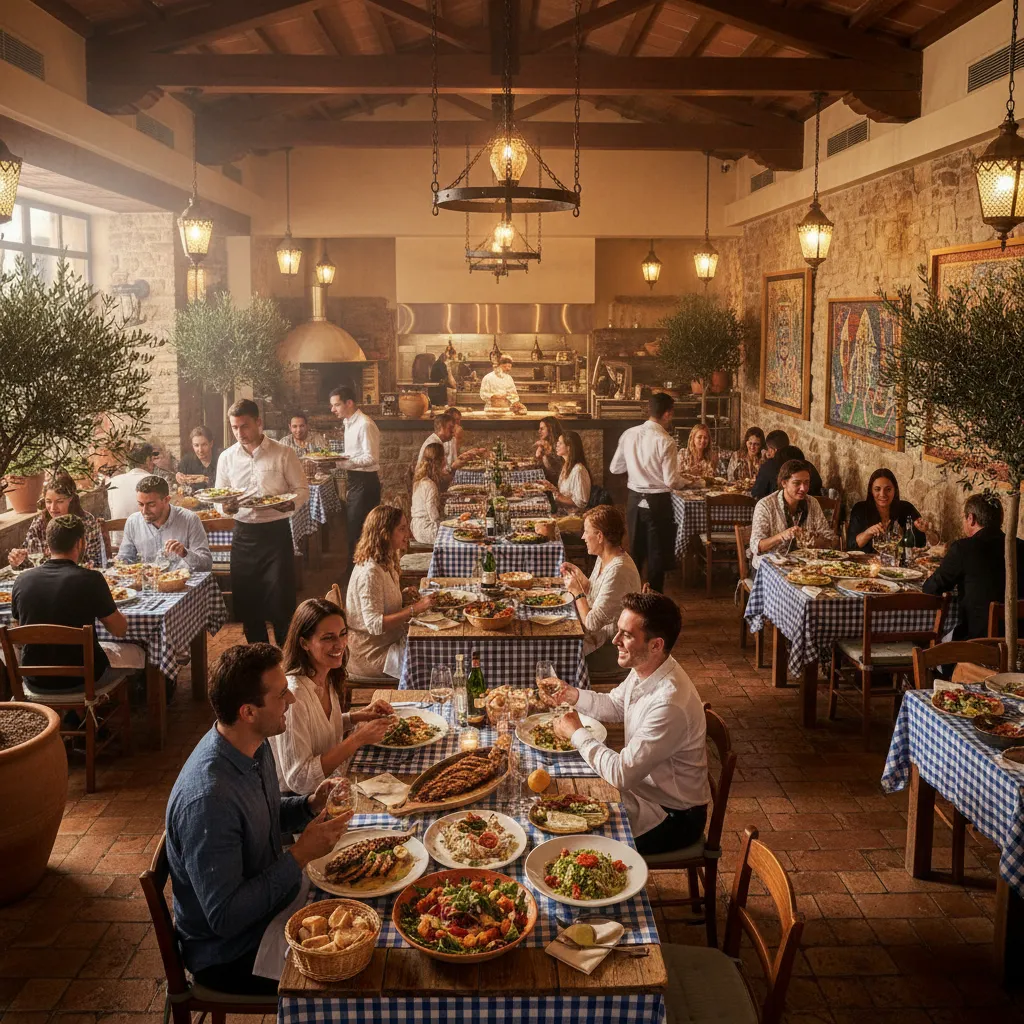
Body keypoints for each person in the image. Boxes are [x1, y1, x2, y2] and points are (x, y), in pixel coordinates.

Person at [166, 643, 354, 995]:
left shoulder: (252, 743)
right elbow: (225, 917)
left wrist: (310, 804)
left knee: (363, 899)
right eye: (282, 695)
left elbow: (264, 816)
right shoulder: (209, 801)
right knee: (353, 973)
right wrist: (299, 855)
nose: (293, 701)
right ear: (248, 712)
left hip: (274, 901)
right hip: (232, 952)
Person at [542, 591, 710, 853]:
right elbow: (615, 705)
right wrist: (570, 694)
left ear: (656, 645)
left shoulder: (669, 704)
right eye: (618, 631)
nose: (615, 640)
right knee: (560, 805)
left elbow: (621, 774)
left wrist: (577, 733)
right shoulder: (648, 667)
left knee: (575, 840)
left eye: (627, 635)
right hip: (644, 794)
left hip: (673, 817)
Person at [269, 599, 396, 795]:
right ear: (304, 643)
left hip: (333, 781)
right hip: (301, 804)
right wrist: (357, 738)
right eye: (328, 638)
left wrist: (357, 716)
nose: (340, 644)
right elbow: (300, 781)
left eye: (343, 634)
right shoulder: (295, 696)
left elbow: (321, 729)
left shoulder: (326, 675)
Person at [9, 514, 143, 691]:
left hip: (34, 681)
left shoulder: (21, 580)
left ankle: (74, 714)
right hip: (84, 680)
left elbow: (18, 637)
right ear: (81, 543)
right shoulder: (91, 579)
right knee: (139, 653)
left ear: (48, 546)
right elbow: (119, 630)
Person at [216, 399, 309, 645]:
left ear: (259, 422)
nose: (239, 433)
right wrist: (226, 507)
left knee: (282, 605)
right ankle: (260, 663)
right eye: (234, 428)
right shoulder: (226, 458)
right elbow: (219, 497)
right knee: (248, 606)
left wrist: (288, 504)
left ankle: (288, 665)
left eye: (244, 426)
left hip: (275, 534)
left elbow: (301, 489)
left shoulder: (283, 453)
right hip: (243, 536)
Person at [609, 392, 686, 593]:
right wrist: (690, 482)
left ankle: (631, 597)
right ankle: (653, 602)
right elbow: (671, 481)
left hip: (634, 500)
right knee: (657, 555)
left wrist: (636, 470)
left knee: (635, 551)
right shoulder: (666, 440)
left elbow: (615, 468)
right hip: (658, 501)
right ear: (668, 414)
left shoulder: (629, 434)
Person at [346, 505, 434, 679]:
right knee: (432, 664)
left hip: (389, 641)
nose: (408, 534)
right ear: (385, 534)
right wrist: (414, 609)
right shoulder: (370, 572)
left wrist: (402, 595)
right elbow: (374, 624)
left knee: (435, 648)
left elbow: (380, 602)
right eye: (402, 529)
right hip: (372, 654)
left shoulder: (387, 559)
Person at [923, 493, 1024, 640]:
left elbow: (931, 588)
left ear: (971, 519)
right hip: (1019, 643)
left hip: (977, 642)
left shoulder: (963, 548)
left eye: (964, 518)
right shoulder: (1021, 546)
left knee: (938, 643)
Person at [559, 505, 642, 661]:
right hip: (599, 636)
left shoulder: (618, 570)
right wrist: (582, 582)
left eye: (586, 531)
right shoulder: (604, 557)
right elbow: (600, 597)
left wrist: (577, 592)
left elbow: (592, 623)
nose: (583, 537)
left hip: (612, 646)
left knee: (555, 651)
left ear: (599, 536)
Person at [8, 470, 104, 569]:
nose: (53, 508)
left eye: (60, 501)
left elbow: (95, 562)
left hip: (77, 579)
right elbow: (26, 563)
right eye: (48, 502)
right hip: (46, 579)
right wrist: (17, 561)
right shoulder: (39, 523)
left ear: (70, 499)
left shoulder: (87, 522)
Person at [748, 459, 833, 570]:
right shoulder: (765, 505)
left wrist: (812, 540)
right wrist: (781, 536)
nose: (803, 488)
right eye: (797, 483)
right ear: (784, 483)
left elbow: (828, 538)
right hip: (770, 567)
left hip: (804, 565)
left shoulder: (812, 503)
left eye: (806, 482)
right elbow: (756, 546)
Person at [118, 475, 213, 571]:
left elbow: (206, 565)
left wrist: (185, 553)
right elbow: (124, 559)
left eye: (151, 504)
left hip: (181, 581)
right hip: (147, 581)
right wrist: (119, 563)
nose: (144, 511)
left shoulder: (189, 519)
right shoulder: (133, 522)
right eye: (140, 504)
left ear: (167, 500)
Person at [329, 386, 381, 561]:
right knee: (353, 529)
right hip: (355, 480)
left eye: (336, 405)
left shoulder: (364, 424)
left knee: (360, 530)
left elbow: (371, 458)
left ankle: (357, 572)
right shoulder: (348, 422)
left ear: (349, 403)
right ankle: (354, 570)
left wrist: (341, 463)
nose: (332, 409)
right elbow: (355, 455)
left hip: (366, 483)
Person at [847, 468, 935, 554]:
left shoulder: (906, 508)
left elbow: (921, 544)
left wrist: (926, 531)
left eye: (888, 489)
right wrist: (868, 532)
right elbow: (851, 546)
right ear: (871, 491)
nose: (882, 494)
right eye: (877, 489)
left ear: (895, 490)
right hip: (867, 565)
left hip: (900, 565)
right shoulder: (860, 509)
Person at [106, 443, 158, 520]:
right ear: (147, 460)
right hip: (146, 531)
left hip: (119, 531)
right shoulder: (156, 481)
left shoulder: (112, 482)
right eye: (152, 459)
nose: (153, 464)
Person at [546, 431, 591, 511]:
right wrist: (552, 488)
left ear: (568, 447)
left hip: (573, 517)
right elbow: (564, 493)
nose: (557, 445)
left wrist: (558, 496)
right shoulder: (566, 466)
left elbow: (580, 503)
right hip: (563, 511)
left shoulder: (578, 470)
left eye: (560, 443)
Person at [411, 442, 446, 545]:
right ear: (441, 461)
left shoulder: (419, 481)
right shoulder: (430, 485)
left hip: (416, 527)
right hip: (427, 530)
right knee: (453, 533)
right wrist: (442, 521)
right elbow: (432, 513)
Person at [534, 416, 564, 487]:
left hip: (559, 486)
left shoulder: (560, 444)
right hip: (547, 482)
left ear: (550, 429)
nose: (539, 431)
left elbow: (556, 472)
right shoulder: (545, 443)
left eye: (542, 429)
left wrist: (546, 452)